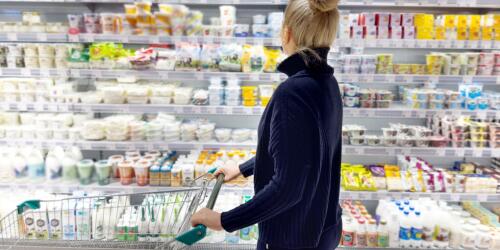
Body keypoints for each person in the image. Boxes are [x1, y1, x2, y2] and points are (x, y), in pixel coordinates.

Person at [191, 0, 343, 249]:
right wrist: (243, 167)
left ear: (287, 33)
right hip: (321, 226)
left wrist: (223, 220)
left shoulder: (293, 92)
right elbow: (304, 156)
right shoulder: (326, 83)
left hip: (291, 236)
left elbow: (287, 188)